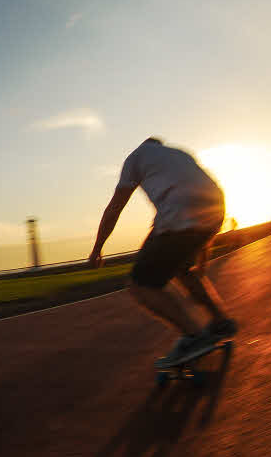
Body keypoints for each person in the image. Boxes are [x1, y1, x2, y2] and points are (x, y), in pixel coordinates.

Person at [89, 137, 238, 368]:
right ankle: (220, 321)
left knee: (140, 285)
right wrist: (201, 261)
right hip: (216, 208)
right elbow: (201, 206)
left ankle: (194, 336)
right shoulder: (180, 153)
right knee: (181, 268)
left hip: (178, 212)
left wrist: (97, 248)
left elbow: (115, 207)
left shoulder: (136, 157)